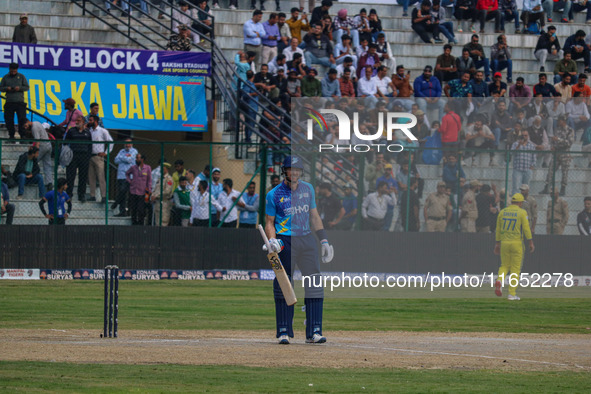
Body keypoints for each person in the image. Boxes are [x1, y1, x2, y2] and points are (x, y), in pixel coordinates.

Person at [264, 156, 333, 343]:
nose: (293, 173)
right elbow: (269, 222)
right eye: (290, 169)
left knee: (314, 283)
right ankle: (284, 331)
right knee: (284, 284)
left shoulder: (308, 189)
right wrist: (272, 241)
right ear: (284, 171)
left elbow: (315, 216)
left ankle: (314, 331)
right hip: (285, 240)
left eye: (297, 170)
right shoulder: (274, 194)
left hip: (306, 239)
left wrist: (324, 240)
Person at [494, 192, 535, 301]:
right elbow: (526, 228)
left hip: (504, 243)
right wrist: (530, 242)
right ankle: (511, 294)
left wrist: (497, 243)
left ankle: (499, 280)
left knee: (504, 266)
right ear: (520, 203)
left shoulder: (502, 212)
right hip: (517, 243)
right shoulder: (522, 212)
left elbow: (498, 229)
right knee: (515, 269)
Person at [540, 115, 574, 196]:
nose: (558, 122)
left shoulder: (570, 130)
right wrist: (553, 145)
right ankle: (546, 187)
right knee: (551, 170)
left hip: (565, 154)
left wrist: (558, 140)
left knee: (564, 172)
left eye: (560, 120)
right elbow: (553, 140)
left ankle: (563, 188)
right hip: (556, 153)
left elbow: (569, 143)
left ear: (564, 121)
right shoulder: (557, 129)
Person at [65, 116, 92, 203]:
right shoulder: (71, 130)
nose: (77, 122)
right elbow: (65, 142)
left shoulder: (87, 132)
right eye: (76, 120)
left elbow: (90, 145)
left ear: (83, 122)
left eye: (79, 120)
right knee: (70, 176)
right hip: (73, 156)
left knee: (83, 176)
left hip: (84, 156)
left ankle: (81, 194)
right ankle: (69, 194)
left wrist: (88, 156)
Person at [87, 115, 113, 203]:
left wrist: (106, 152)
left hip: (99, 156)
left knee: (101, 176)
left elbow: (110, 141)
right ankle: (92, 195)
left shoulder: (102, 131)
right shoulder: (89, 131)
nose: (89, 122)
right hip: (90, 155)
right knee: (91, 177)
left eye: (91, 120)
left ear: (96, 121)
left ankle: (104, 196)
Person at [0, 63, 29, 142]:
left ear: (17, 70)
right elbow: (1, 88)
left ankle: (22, 136)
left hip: (20, 102)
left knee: (22, 119)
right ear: (9, 69)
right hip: (9, 102)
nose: (13, 72)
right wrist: (7, 88)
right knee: (9, 120)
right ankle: (11, 136)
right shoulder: (5, 77)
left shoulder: (21, 76)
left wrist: (19, 88)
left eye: (14, 71)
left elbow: (27, 87)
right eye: (12, 71)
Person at [23, 120, 53, 191]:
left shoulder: (34, 128)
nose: (26, 128)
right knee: (47, 165)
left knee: (32, 161)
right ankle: (49, 182)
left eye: (26, 126)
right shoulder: (37, 122)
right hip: (48, 145)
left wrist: (35, 151)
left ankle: (29, 177)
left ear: (28, 122)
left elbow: (37, 140)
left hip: (43, 146)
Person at [113, 139, 137, 217]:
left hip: (129, 176)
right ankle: (122, 211)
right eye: (126, 143)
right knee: (122, 193)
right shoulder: (121, 151)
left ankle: (116, 202)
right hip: (120, 175)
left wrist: (121, 158)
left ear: (132, 144)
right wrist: (124, 157)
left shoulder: (134, 151)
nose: (127, 145)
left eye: (129, 143)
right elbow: (115, 160)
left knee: (124, 191)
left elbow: (129, 160)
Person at [126, 153, 152, 225]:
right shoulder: (133, 167)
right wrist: (130, 181)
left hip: (142, 192)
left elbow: (149, 180)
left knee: (141, 210)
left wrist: (149, 189)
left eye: (138, 158)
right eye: (136, 158)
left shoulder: (147, 168)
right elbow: (127, 173)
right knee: (133, 209)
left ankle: (140, 223)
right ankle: (134, 223)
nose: (137, 159)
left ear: (142, 159)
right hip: (133, 191)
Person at [510, 130, 537, 195]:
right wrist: (519, 145)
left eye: (526, 135)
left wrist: (532, 165)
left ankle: (524, 202)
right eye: (523, 135)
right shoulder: (515, 144)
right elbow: (512, 153)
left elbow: (534, 156)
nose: (524, 137)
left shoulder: (531, 145)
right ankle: (515, 202)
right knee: (516, 187)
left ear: (528, 136)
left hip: (527, 169)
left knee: (526, 187)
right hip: (518, 169)